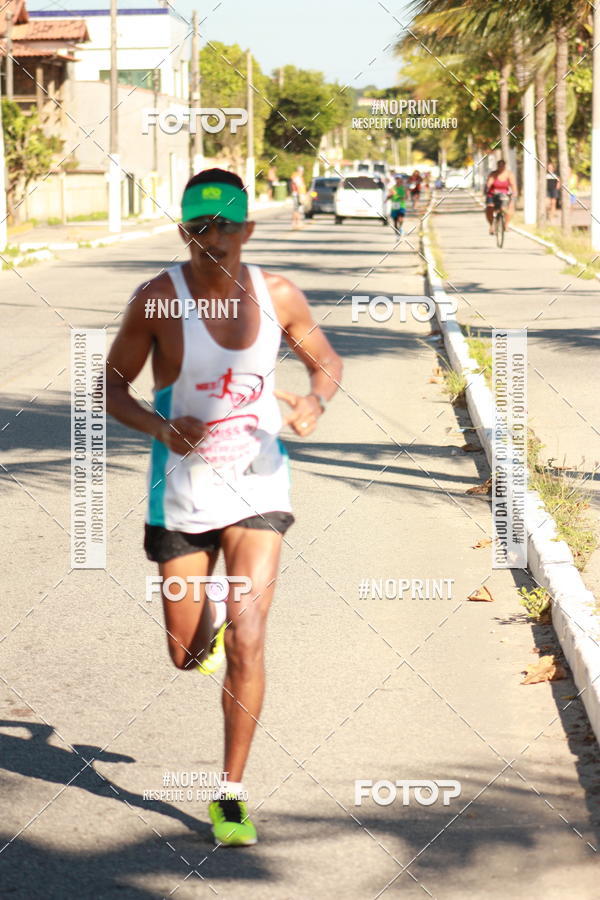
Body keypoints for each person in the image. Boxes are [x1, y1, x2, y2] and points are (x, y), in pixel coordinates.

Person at [106, 168, 342, 846]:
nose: (213, 239)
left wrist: (313, 402)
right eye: (200, 227)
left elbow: (325, 361)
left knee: (250, 635)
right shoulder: (158, 300)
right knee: (186, 653)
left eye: (225, 226)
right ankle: (199, 635)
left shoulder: (278, 295)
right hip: (181, 494)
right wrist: (158, 427)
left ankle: (230, 795)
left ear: (248, 229)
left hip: (259, 487)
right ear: (184, 231)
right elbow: (114, 386)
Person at [484, 159, 517, 233]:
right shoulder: (493, 174)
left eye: (502, 166)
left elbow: (513, 185)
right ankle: (491, 225)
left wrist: (514, 195)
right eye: (499, 166)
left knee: (509, 208)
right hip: (492, 194)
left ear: (505, 166)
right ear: (497, 166)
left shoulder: (509, 174)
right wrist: (488, 186)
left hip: (504, 194)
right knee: (490, 208)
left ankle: (506, 225)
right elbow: (489, 183)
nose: (501, 167)